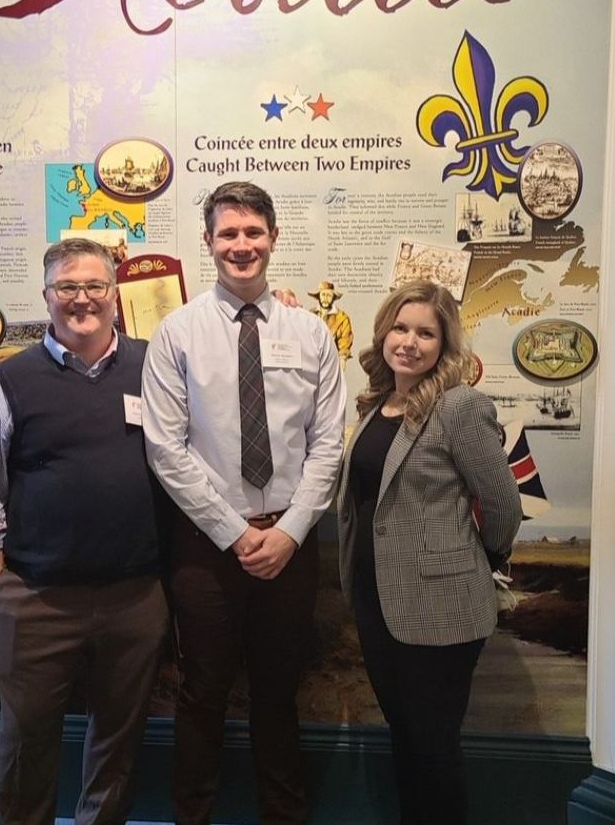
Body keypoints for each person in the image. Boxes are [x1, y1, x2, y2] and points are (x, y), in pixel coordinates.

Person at [142, 181, 346, 825]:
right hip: (206, 548)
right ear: (208, 243)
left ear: (274, 239)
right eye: (228, 234)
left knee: (279, 694)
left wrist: (286, 533)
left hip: (291, 545)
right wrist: (235, 533)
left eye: (253, 232)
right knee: (202, 694)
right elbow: (165, 449)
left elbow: (328, 446)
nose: (241, 245)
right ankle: (192, 816)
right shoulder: (176, 334)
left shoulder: (311, 334)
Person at [0, 238, 169, 825]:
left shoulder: (156, 365)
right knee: (26, 744)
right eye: (67, 288)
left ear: (114, 293)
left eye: (95, 286)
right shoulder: (7, 381)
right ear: (47, 296)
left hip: (135, 596)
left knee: (117, 745)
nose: (82, 299)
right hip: (35, 597)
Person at [336, 280, 522, 825]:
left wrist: (483, 559)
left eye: (426, 333)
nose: (410, 342)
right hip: (376, 600)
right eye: (401, 328)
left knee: (433, 748)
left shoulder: (459, 407)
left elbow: (503, 504)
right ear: (384, 333)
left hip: (440, 608)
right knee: (406, 738)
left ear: (444, 344)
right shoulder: (378, 404)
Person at [307, 279, 354, 368]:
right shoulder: (309, 315)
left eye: (329, 295)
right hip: (311, 361)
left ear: (333, 298)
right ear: (319, 296)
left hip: (331, 362)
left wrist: (342, 359)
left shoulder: (342, 318)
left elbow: (345, 340)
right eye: (323, 295)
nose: (325, 298)